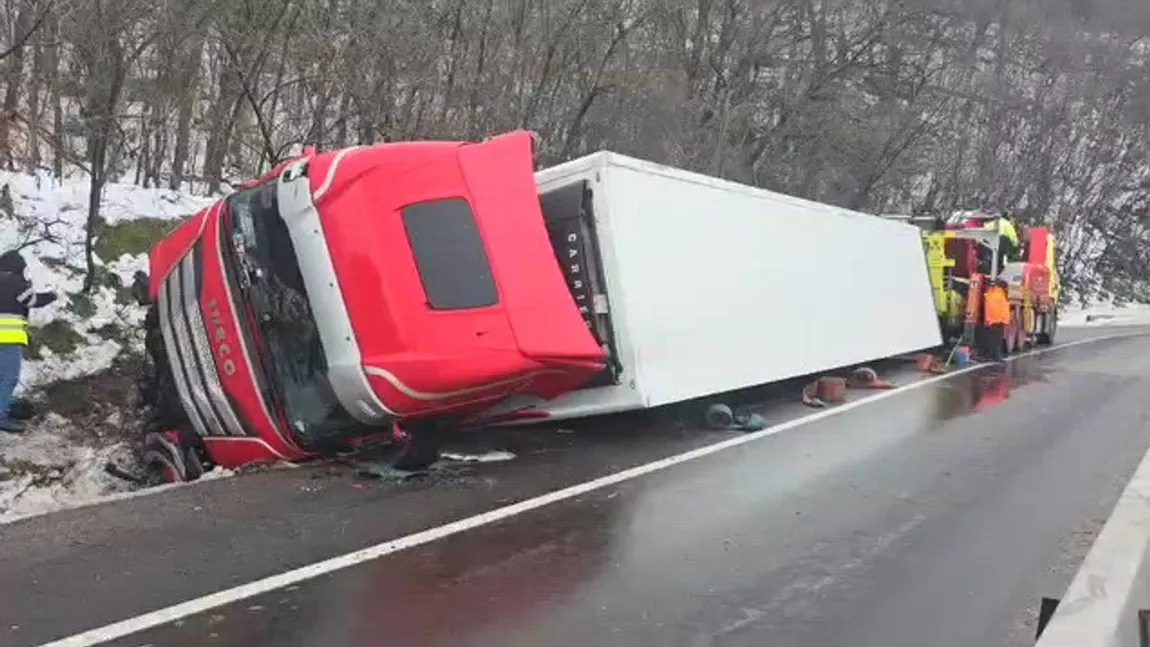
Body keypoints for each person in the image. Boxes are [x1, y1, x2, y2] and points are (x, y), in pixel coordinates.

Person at [0, 250, 57, 432]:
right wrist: (52, 295)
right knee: (8, 378)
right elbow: (33, 301)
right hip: (7, 339)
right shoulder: (16, 283)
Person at [982, 278, 1011, 362]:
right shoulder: (1001, 295)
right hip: (999, 321)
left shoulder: (990, 293)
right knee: (997, 340)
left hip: (991, 320)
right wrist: (1005, 320)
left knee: (991, 339)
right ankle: (996, 356)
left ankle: (990, 355)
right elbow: (1003, 309)